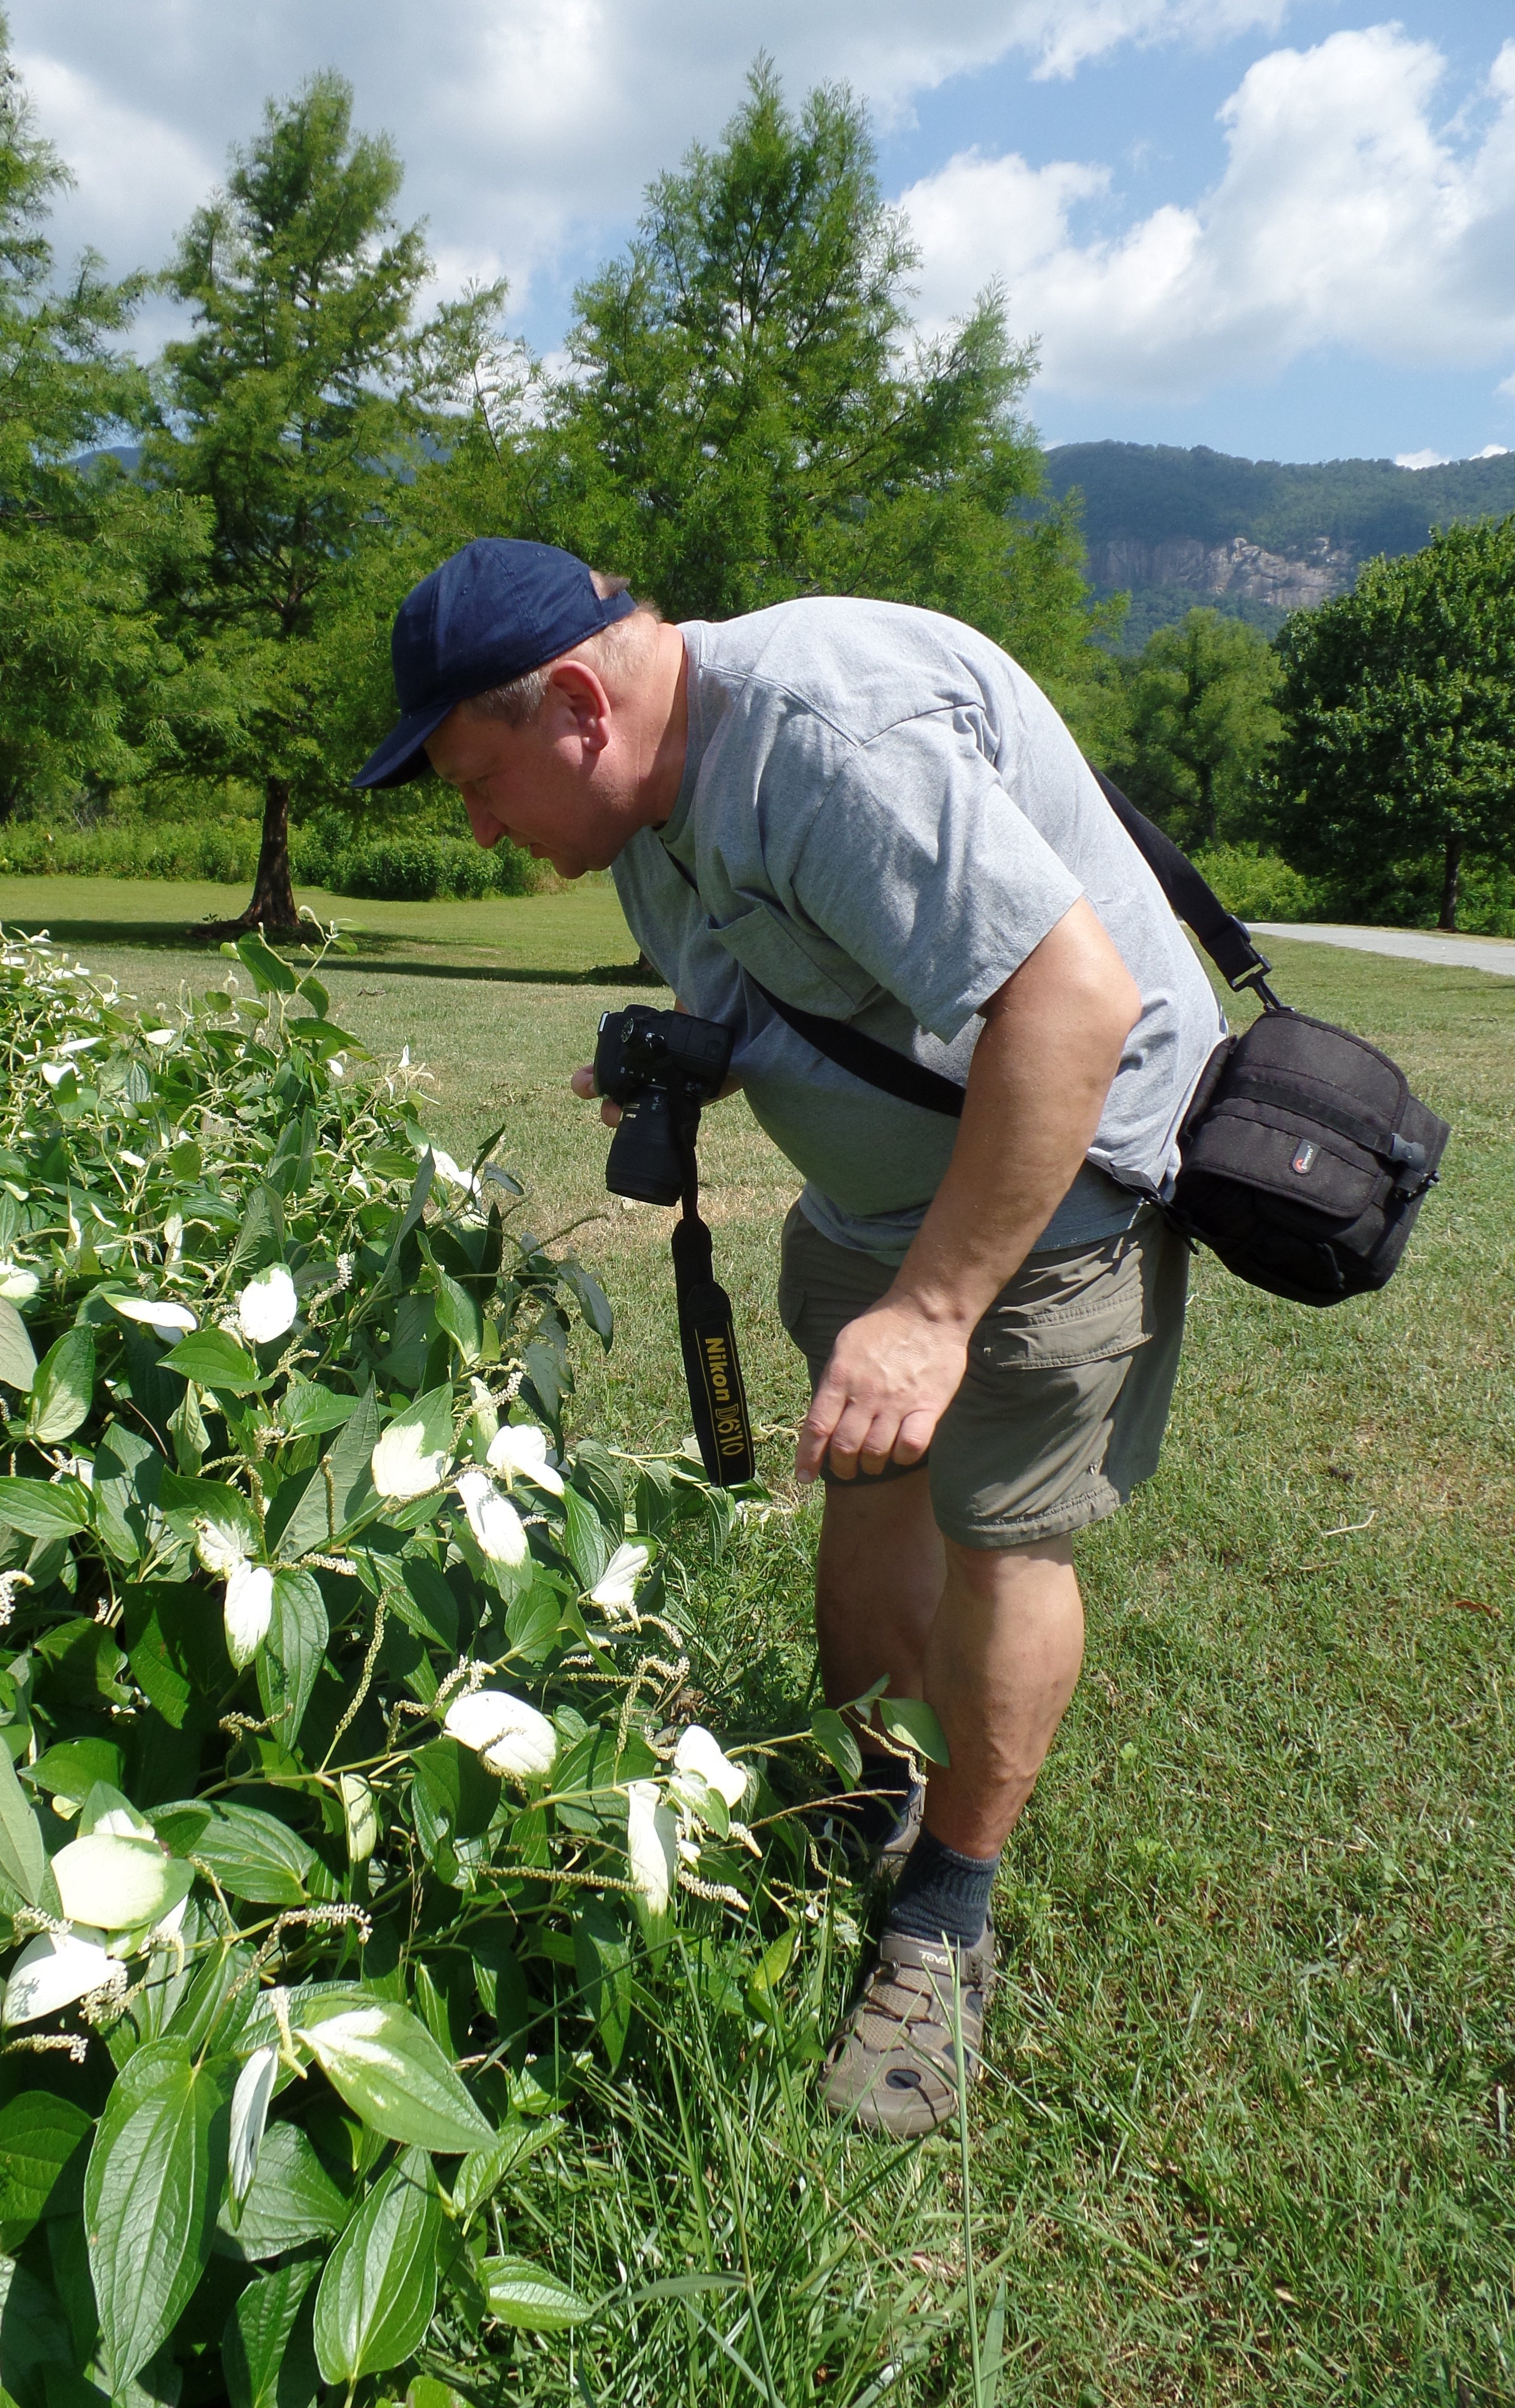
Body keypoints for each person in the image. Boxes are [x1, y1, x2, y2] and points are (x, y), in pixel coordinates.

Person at [355, 537, 1225, 2137]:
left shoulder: (828, 738)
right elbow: (800, 973)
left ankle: (945, 1914)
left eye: (478, 785)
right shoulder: (646, 803)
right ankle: (866, 1789)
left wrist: (938, 1311)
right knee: (867, 1491)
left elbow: (1073, 1007)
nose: (477, 829)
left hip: (1048, 1197)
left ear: (577, 706)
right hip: (873, 1205)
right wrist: (693, 1051)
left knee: (1002, 1538)